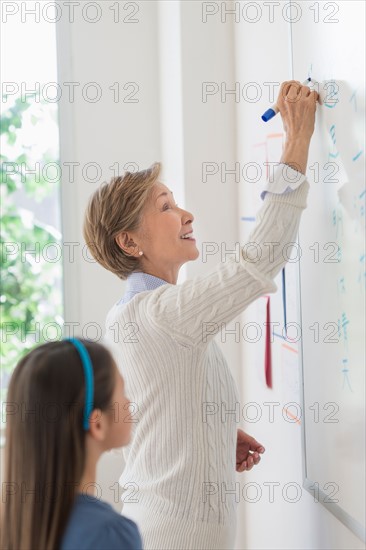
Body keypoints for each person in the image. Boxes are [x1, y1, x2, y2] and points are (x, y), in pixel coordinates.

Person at [83, 80, 319, 549]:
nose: (187, 214)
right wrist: (296, 144)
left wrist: (209, 433)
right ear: (129, 243)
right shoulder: (157, 314)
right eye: (166, 207)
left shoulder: (137, 313)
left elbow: (160, 400)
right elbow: (255, 263)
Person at [0, 338, 143, 550]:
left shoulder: (14, 524)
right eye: (122, 391)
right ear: (97, 424)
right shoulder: (109, 535)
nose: (129, 402)